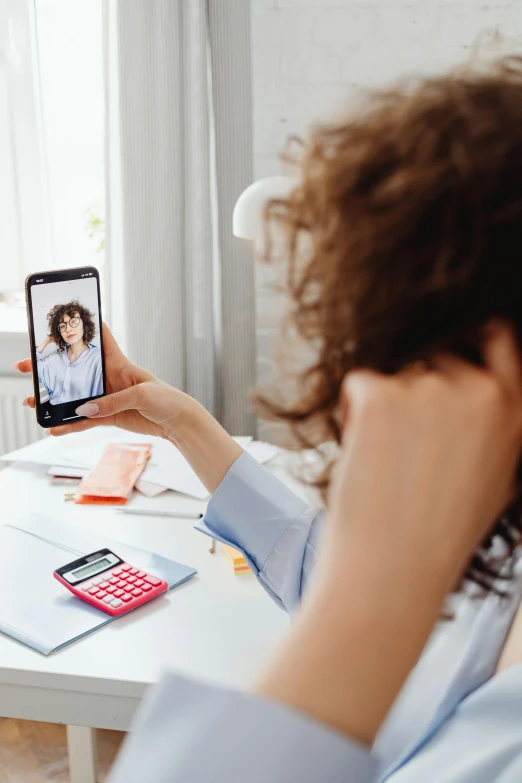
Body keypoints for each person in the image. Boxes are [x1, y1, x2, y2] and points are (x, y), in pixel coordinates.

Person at [15, 56, 522, 781]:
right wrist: (182, 421)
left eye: (387, 350)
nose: (358, 388)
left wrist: (370, 603)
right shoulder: (497, 553)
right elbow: (317, 561)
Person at [34, 300, 103, 405]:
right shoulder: (54, 358)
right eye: (62, 326)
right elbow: (34, 368)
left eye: (74, 322)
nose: (68, 329)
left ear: (85, 324)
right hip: (55, 416)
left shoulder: (98, 358)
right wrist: (46, 341)